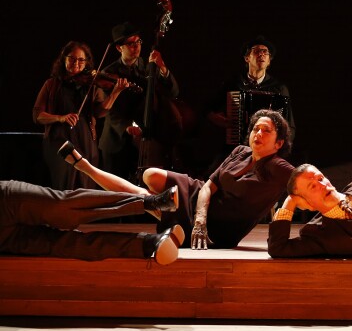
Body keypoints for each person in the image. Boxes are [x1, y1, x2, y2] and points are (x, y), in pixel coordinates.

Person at [62, 109, 294, 250]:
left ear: (279, 143)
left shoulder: (278, 167)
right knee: (150, 175)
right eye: (255, 129)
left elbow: (307, 178)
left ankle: (86, 167)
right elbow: (209, 186)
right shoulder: (241, 151)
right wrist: (199, 219)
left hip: (218, 226)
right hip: (201, 200)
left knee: (144, 197)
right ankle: (90, 169)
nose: (258, 133)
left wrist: (293, 207)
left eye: (266, 131)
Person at [0, 179, 182, 265]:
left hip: (5, 202)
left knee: (63, 208)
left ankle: (150, 202)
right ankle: (150, 242)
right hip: (4, 239)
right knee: (69, 246)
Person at [33, 41, 130, 190]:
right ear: (64, 58)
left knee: (86, 185)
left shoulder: (91, 85)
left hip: (85, 140)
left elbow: (99, 112)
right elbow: (37, 115)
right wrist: (60, 118)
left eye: (81, 60)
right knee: (63, 186)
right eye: (72, 58)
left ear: (86, 63)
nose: (76, 63)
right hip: (59, 141)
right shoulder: (51, 84)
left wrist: (115, 93)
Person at [98, 21, 181, 183]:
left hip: (146, 140)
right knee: (115, 189)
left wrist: (162, 67)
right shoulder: (108, 73)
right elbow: (109, 109)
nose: (136, 47)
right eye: (131, 44)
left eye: (138, 42)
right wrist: (126, 126)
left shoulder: (149, 67)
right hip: (117, 142)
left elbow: (173, 93)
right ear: (119, 48)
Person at [204, 35, 295, 172]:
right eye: (257, 51)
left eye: (265, 52)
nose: (262, 54)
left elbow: (289, 125)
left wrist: (279, 148)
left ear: (269, 61)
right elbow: (208, 109)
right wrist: (216, 118)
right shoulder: (234, 84)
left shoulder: (279, 89)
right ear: (247, 58)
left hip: (266, 150)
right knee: (214, 172)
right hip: (235, 148)